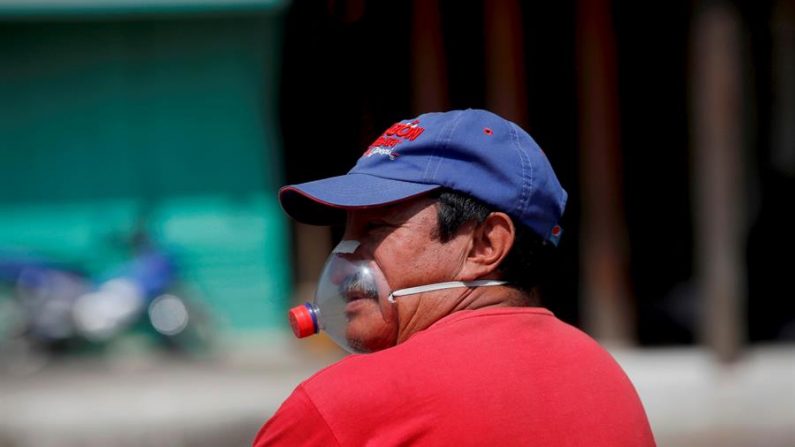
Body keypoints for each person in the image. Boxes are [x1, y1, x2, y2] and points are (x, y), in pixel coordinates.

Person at [253, 109, 655, 446]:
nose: (346, 254)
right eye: (346, 232)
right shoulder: (604, 379)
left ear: (486, 245)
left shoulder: (340, 409)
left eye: (375, 228)